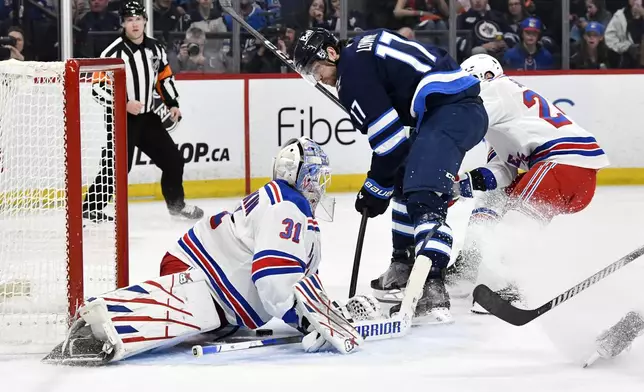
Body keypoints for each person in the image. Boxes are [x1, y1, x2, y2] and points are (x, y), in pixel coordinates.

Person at [44, 138, 373, 364]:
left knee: (214, 316)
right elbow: (273, 276)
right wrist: (302, 318)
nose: (319, 185)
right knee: (202, 313)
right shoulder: (285, 209)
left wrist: (318, 311)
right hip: (202, 276)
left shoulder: (286, 205)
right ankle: (98, 328)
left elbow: (296, 278)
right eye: (314, 176)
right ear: (297, 175)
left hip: (208, 274)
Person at [292, 27, 488, 323]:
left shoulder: (351, 76)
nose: (318, 79)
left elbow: (391, 145)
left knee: (424, 194)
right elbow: (396, 143)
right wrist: (383, 184)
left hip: (451, 110)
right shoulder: (360, 49)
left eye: (316, 69)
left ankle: (432, 285)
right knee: (403, 179)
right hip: (448, 108)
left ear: (331, 53)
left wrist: (373, 189)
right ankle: (404, 263)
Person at [446, 54, 609, 308]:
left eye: (467, 83)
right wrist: (459, 186)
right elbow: (502, 172)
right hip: (572, 174)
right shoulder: (503, 111)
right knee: (495, 196)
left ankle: (512, 287)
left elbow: (458, 128)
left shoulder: (496, 89)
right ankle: (469, 263)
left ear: (485, 78)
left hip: (563, 163)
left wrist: (436, 170)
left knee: (516, 223)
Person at [83, 0, 204, 222]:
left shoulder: (155, 49)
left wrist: (172, 103)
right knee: (118, 166)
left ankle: (177, 206)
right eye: (129, 20)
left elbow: (163, 77)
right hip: (121, 118)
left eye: (138, 19)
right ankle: (90, 208)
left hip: (148, 118)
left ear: (145, 21)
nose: (135, 24)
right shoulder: (112, 52)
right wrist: (124, 102)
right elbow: (97, 87)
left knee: (173, 160)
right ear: (123, 24)